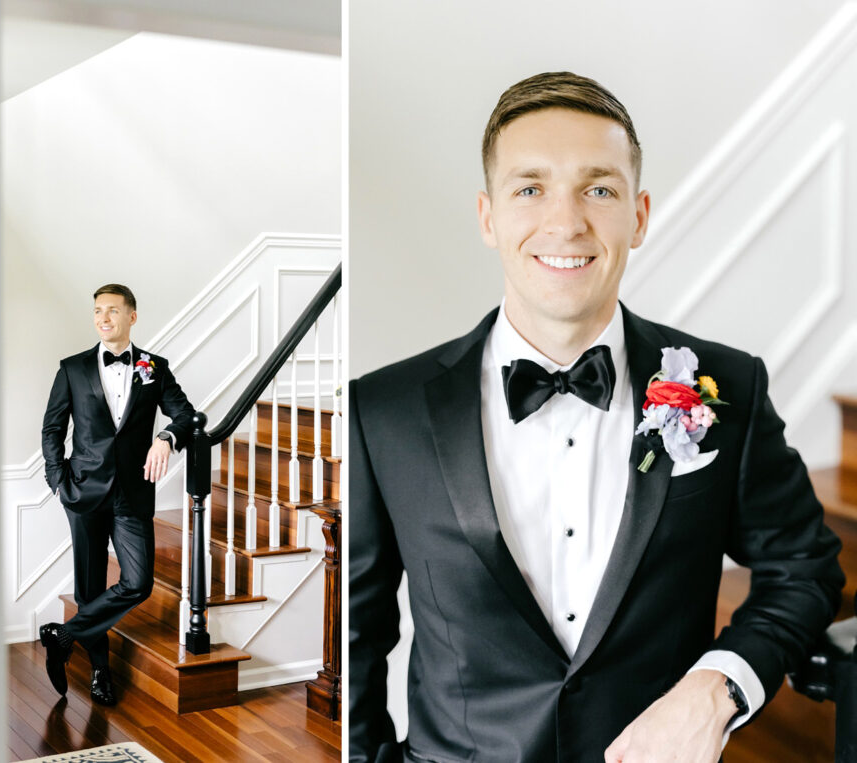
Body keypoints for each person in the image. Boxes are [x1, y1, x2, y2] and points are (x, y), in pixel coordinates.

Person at [349, 72, 844, 762]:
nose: (566, 222)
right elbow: (354, 633)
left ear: (638, 215)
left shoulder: (725, 387)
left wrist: (717, 686)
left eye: (599, 189)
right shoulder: (382, 410)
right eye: (530, 189)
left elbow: (806, 568)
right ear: (488, 216)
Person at [39, 283, 195, 706]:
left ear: (132, 316)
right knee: (89, 590)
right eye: (97, 311)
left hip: (132, 495)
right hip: (83, 492)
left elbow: (186, 414)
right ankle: (100, 673)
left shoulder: (154, 367)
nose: (103, 318)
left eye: (112, 310)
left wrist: (165, 436)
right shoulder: (72, 368)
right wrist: (58, 480)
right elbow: (53, 429)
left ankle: (63, 635)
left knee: (137, 582)